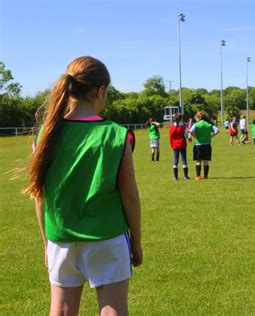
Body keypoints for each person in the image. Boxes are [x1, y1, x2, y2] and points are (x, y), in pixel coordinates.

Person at [24, 56, 142, 315]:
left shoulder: (47, 133)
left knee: (62, 310)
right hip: (107, 236)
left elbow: (39, 196)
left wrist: (47, 242)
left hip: (60, 237)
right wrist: (136, 242)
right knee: (113, 309)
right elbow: (130, 196)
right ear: (100, 91)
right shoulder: (116, 134)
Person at [190, 111, 219, 180]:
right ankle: (205, 176)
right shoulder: (208, 124)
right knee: (206, 161)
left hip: (198, 145)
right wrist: (211, 136)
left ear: (198, 117)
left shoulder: (196, 124)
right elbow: (217, 130)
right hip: (207, 145)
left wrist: (195, 136)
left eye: (196, 118)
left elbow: (191, 131)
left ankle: (198, 176)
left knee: (198, 161)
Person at [169, 113, 190, 180]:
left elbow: (170, 137)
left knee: (175, 160)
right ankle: (185, 176)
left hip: (175, 145)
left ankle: (175, 176)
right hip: (183, 144)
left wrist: (172, 144)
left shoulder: (172, 127)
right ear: (181, 119)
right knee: (184, 159)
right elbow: (186, 136)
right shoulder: (183, 127)